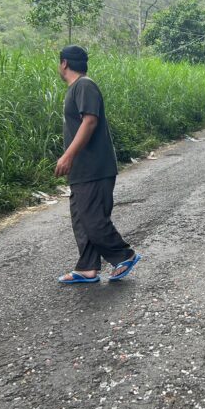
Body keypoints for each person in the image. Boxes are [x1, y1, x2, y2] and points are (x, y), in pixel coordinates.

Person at [55, 45, 141, 284]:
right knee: (81, 218)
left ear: (64, 63)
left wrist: (68, 156)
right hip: (82, 169)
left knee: (93, 219)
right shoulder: (77, 88)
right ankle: (87, 267)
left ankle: (124, 255)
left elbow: (90, 121)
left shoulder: (84, 85)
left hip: (94, 167)